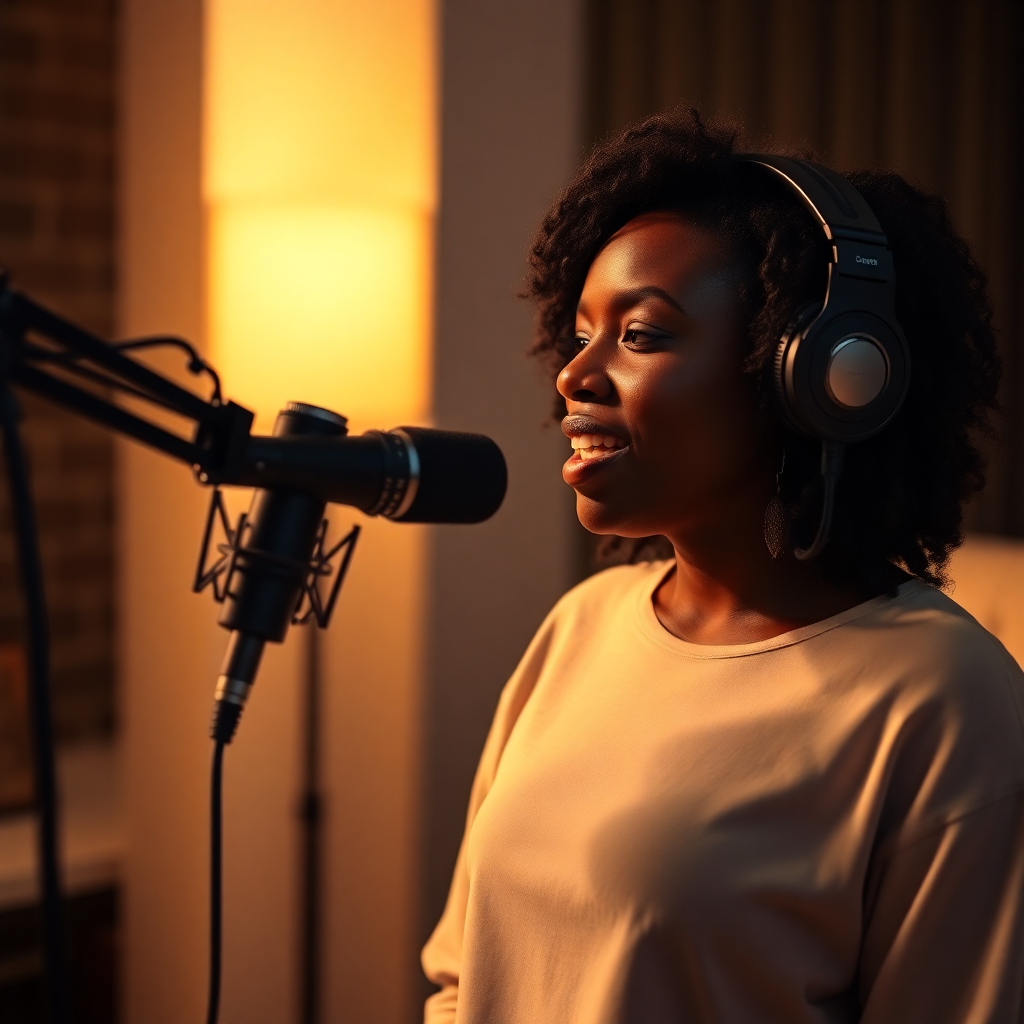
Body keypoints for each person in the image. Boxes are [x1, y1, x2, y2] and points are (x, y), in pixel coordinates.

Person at [421, 108, 1024, 1022]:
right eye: (581, 331)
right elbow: (462, 978)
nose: (574, 375)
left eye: (641, 335)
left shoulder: (946, 700)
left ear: (817, 377)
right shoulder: (579, 627)